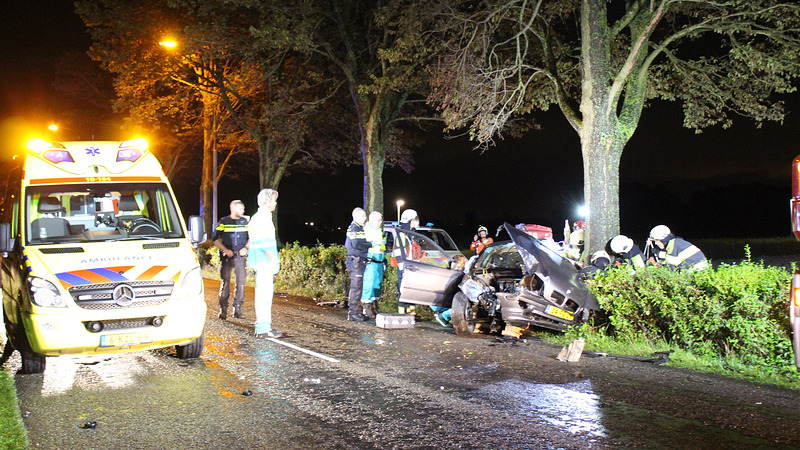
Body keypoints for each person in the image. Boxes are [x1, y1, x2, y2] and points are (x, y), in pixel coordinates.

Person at [248, 189, 282, 338]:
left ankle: (264, 326)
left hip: (262, 262)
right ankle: (263, 328)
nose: (275, 203)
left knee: (264, 295)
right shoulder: (262, 218)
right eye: (273, 200)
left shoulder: (259, 217)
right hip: (265, 263)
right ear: (267, 201)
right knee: (264, 296)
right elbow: (264, 243)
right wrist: (273, 261)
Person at [213, 200, 249, 320]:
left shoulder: (245, 222)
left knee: (241, 283)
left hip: (240, 256)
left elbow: (252, 238)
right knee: (226, 282)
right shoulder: (224, 222)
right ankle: (223, 309)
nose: (243, 211)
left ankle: (237, 309)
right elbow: (215, 240)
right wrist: (225, 249)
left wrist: (246, 248)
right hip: (227, 257)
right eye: (241, 209)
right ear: (233, 209)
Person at [392, 209, 420, 315]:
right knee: (403, 291)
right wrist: (402, 268)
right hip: (404, 268)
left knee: (412, 292)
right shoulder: (402, 235)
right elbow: (398, 252)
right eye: (415, 220)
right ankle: (402, 314)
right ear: (409, 221)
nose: (416, 222)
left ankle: (411, 314)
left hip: (412, 267)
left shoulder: (411, 234)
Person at [345, 207, 370, 321]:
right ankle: (353, 313)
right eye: (363, 216)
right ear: (356, 216)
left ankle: (357, 311)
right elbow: (357, 244)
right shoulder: (355, 228)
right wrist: (370, 244)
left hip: (358, 262)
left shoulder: (359, 228)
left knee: (358, 287)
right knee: (356, 288)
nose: (365, 218)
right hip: (356, 262)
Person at [361, 211, 386, 319]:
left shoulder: (379, 230)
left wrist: (384, 259)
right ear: (371, 220)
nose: (380, 222)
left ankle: (374, 304)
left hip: (379, 261)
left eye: (381, 219)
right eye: (378, 220)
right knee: (369, 283)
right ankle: (366, 305)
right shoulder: (367, 230)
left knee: (377, 284)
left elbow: (381, 247)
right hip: (371, 261)